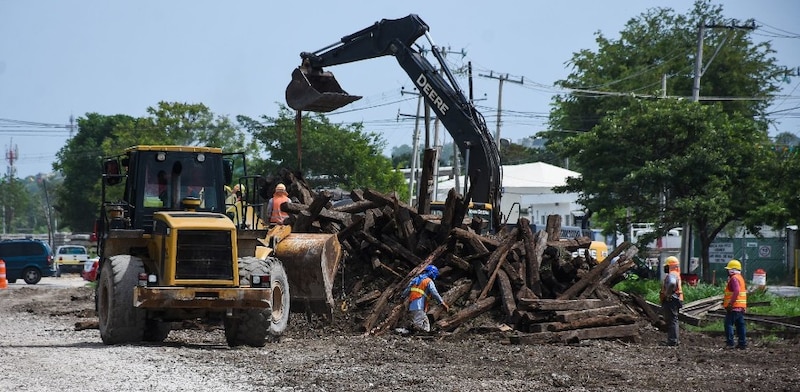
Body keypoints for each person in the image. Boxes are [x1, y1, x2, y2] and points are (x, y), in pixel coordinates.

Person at [402, 265, 449, 333]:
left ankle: (425, 334)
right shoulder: (428, 281)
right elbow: (434, 292)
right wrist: (442, 303)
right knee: (418, 324)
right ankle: (416, 336)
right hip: (419, 305)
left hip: (412, 304)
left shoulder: (415, 279)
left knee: (425, 322)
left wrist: (402, 297)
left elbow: (407, 290)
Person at [723, 259, 747, 349]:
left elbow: (736, 291)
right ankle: (742, 343)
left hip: (734, 307)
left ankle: (730, 343)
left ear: (732, 269)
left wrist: (730, 304)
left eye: (728, 269)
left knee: (728, 324)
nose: (727, 271)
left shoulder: (734, 278)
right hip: (740, 307)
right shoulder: (740, 278)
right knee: (740, 325)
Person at [659, 256, 683, 346]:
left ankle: (672, 340)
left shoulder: (672, 274)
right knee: (674, 320)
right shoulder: (676, 274)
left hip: (671, 299)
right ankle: (674, 340)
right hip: (677, 299)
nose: (665, 268)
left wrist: (667, 294)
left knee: (672, 320)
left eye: (666, 266)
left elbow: (672, 283)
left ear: (671, 266)